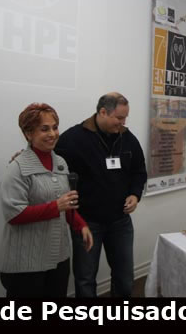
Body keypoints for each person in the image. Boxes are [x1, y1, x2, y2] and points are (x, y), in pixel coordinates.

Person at [55, 92, 147, 297]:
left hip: (120, 221)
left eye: (125, 118)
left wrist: (135, 194)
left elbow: (139, 171)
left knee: (124, 277)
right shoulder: (74, 138)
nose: (123, 123)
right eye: (119, 117)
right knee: (85, 278)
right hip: (87, 222)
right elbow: (49, 157)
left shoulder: (127, 138)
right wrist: (25, 155)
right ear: (103, 112)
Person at [0, 103, 93, 298]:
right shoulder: (17, 168)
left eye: (55, 127)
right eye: (44, 129)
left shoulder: (60, 162)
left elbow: (65, 204)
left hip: (58, 257)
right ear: (28, 133)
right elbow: (14, 214)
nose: (52, 134)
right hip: (26, 263)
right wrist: (56, 206)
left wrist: (80, 225)